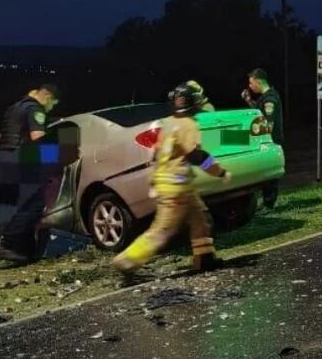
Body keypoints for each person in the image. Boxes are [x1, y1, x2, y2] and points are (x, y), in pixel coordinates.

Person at [112, 82, 231, 273]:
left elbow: (157, 154)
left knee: (201, 219)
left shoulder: (167, 123)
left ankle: (205, 259)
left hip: (177, 185)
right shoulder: (188, 125)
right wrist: (220, 172)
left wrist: (155, 180)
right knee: (163, 230)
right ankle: (127, 260)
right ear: (193, 103)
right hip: (176, 187)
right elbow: (196, 156)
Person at [0, 83, 61, 264]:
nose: (51, 108)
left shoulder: (13, 108)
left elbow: (0, 138)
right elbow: (38, 137)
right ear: (47, 97)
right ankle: (9, 245)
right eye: (53, 104)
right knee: (34, 204)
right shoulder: (35, 109)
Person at [242, 68, 283, 144]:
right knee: (227, 138)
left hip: (271, 144)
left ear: (258, 82)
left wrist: (246, 133)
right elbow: (259, 110)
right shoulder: (266, 96)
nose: (249, 86)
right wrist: (248, 100)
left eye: (251, 83)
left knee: (228, 138)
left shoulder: (270, 100)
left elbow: (268, 128)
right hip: (264, 142)